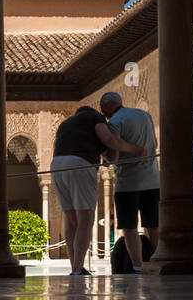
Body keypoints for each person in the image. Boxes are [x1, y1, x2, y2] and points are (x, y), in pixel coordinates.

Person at [50, 104, 146, 276]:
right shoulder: (94, 118)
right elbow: (109, 142)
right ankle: (77, 270)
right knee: (85, 219)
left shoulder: (66, 124)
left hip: (57, 165)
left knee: (72, 221)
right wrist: (135, 149)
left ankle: (75, 267)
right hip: (79, 163)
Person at [100, 91, 159, 272]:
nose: (103, 113)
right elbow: (155, 144)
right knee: (153, 223)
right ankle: (158, 261)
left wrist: (104, 154)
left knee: (129, 226)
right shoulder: (145, 115)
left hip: (128, 183)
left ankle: (137, 266)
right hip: (152, 179)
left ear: (106, 107)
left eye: (103, 109)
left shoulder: (115, 123)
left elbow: (114, 158)